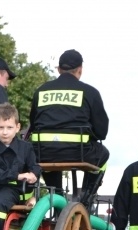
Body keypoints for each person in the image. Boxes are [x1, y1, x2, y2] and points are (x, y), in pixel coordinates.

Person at [28, 49, 109, 204]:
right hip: (78, 153)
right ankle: (85, 198)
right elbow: (102, 132)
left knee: (49, 160)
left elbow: (33, 123)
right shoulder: (90, 92)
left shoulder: (41, 91)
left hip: (43, 152)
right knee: (104, 155)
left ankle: (57, 196)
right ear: (80, 70)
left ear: (59, 69)